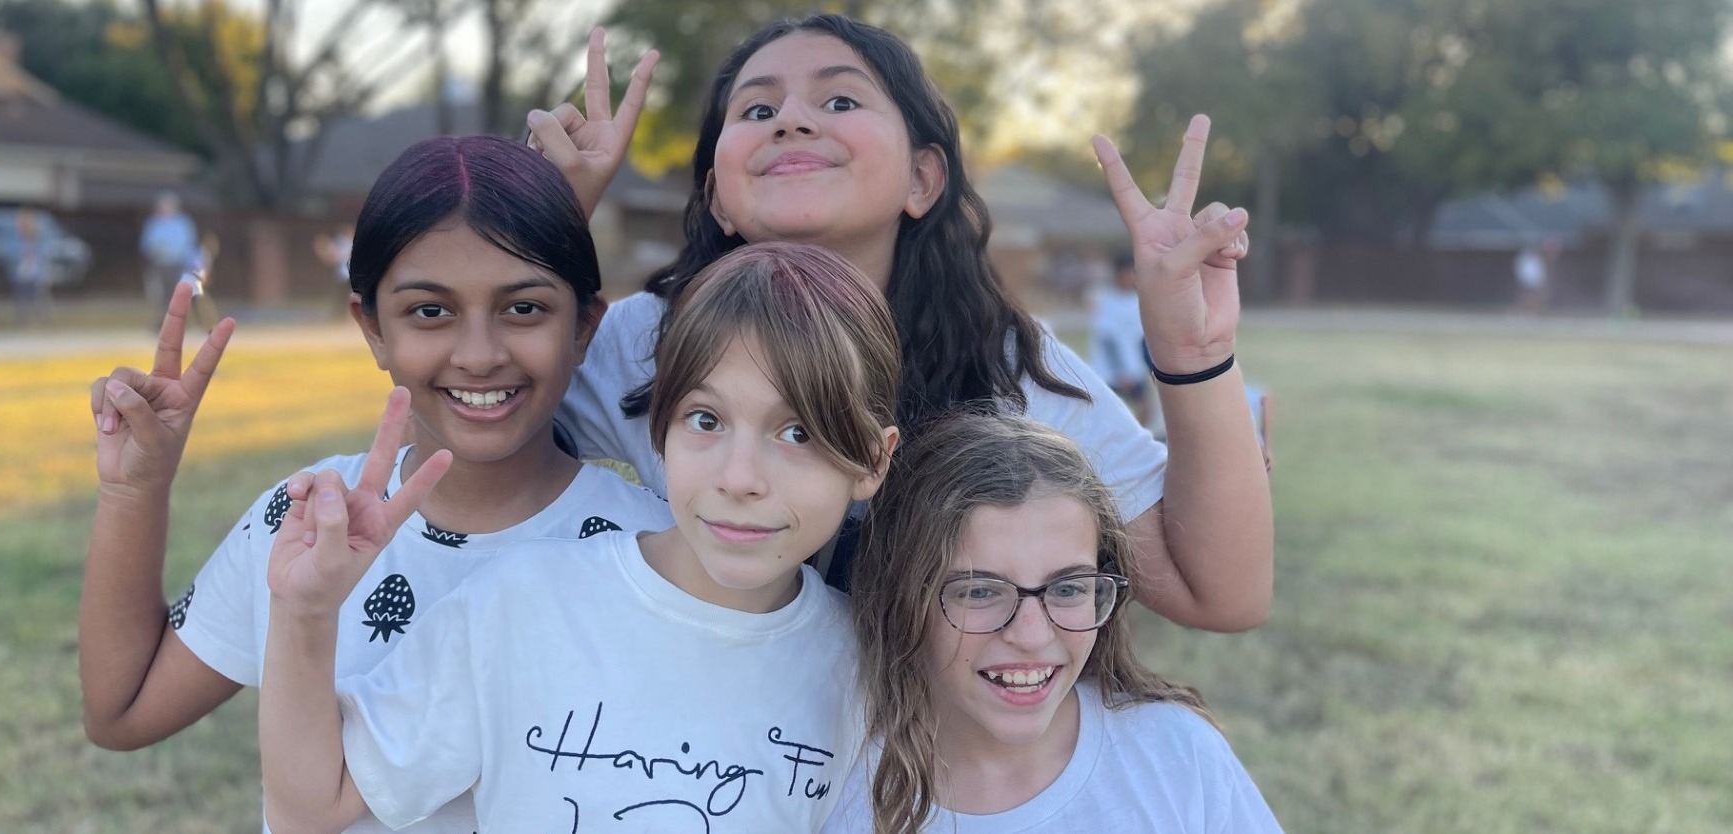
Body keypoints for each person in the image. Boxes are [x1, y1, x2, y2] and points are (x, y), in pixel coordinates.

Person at [533, 15, 1271, 629]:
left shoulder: (1003, 363)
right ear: (719, 197)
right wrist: (550, 221)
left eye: (840, 103)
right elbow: (459, 451)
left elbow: (1219, 595)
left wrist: (1193, 350)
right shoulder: (648, 339)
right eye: (757, 111)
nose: (790, 119)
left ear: (923, 179)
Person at [80, 135, 673, 834]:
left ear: (584, 327)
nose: (479, 355)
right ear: (373, 329)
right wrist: (134, 491)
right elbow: (121, 712)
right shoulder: (304, 521)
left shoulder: (655, 554)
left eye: (524, 309)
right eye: (430, 311)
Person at [257, 241, 899, 833]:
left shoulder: (867, 671)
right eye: (705, 419)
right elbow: (313, 807)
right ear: (660, 432)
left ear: (872, 460)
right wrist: (304, 612)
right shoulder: (523, 602)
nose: (740, 478)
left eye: (798, 433)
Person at [830, 411, 1284, 833]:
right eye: (980, 591)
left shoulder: (1176, 755)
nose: (1031, 636)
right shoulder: (827, 785)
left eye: (1067, 589)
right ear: (901, 598)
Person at [1086, 252, 1151, 423]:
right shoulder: (1105, 301)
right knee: (1106, 413)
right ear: (1120, 274)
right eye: (1131, 272)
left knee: (1144, 408)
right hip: (1110, 371)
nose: (1134, 277)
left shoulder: (1137, 301)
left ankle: (1135, 444)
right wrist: (1120, 372)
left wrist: (1151, 368)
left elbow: (1141, 340)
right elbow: (1107, 340)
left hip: (1132, 368)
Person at [141, 191, 198, 328]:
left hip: (179, 264)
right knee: (161, 296)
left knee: (180, 294)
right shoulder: (154, 223)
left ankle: (182, 322)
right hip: (160, 264)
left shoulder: (183, 223)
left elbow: (190, 243)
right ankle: (164, 323)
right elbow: (146, 244)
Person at [8, 208, 55, 326]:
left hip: (36, 275)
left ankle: (46, 323)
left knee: (40, 301)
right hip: (22, 275)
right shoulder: (17, 240)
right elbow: (13, 255)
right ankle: (22, 323)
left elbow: (45, 254)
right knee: (22, 301)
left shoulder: (39, 239)